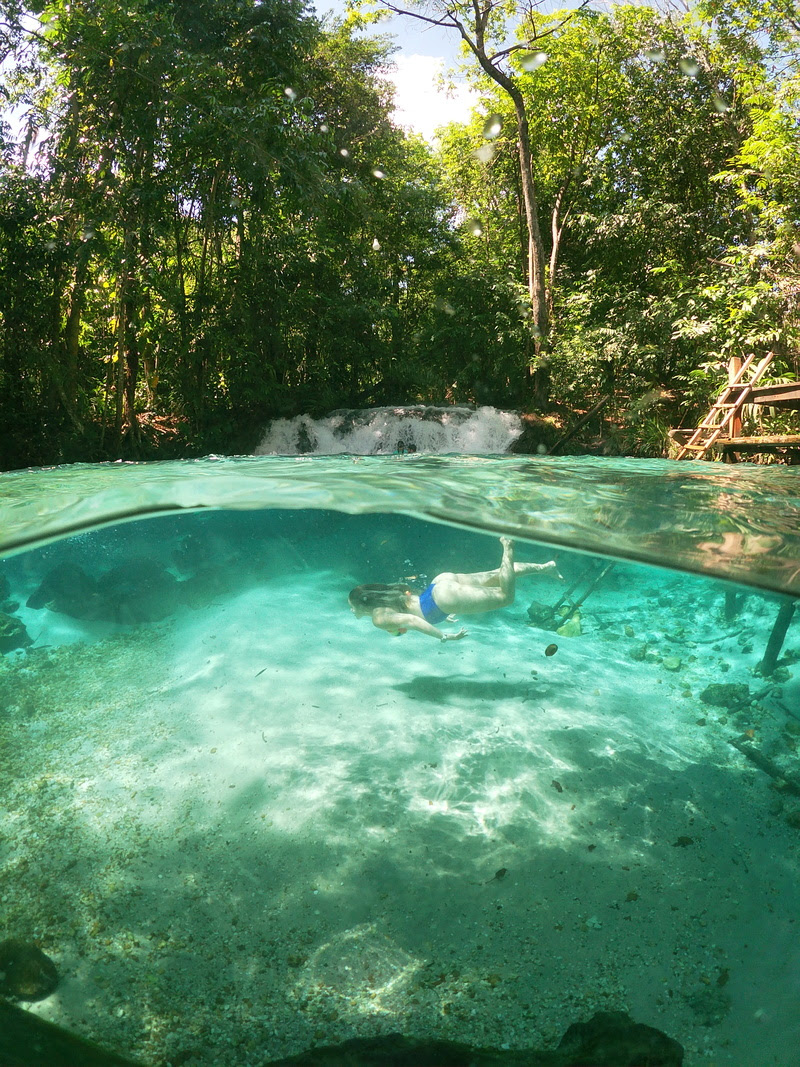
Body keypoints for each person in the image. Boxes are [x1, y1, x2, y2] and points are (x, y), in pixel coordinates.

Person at [348, 537, 558, 642]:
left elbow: (413, 620)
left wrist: (443, 636)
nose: (352, 611)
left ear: (362, 603)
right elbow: (415, 608)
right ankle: (546, 568)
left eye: (352, 606)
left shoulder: (378, 618)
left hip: (442, 600)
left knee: (505, 596)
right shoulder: (387, 601)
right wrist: (443, 613)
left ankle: (508, 547)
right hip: (438, 585)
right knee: (495, 575)